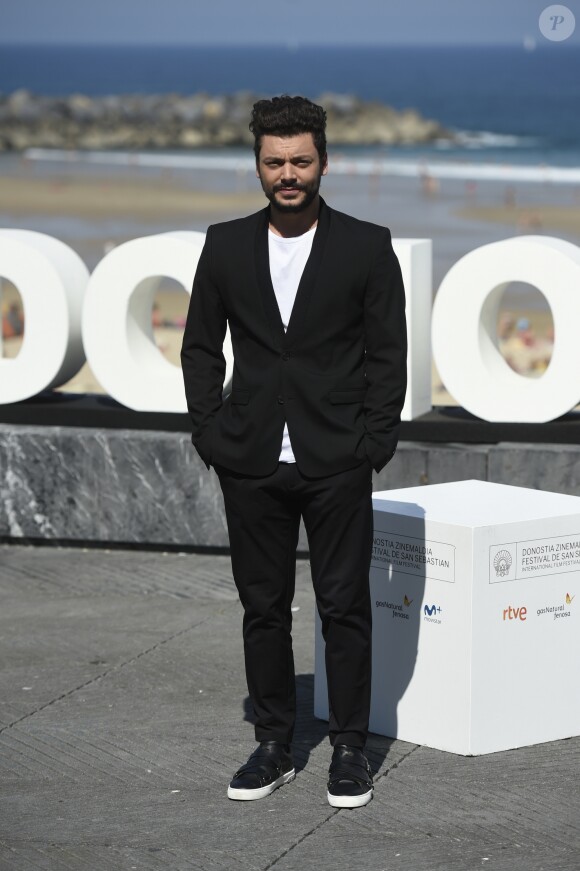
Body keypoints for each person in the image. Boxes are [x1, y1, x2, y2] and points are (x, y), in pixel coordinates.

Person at [181, 95, 407, 808]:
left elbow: (387, 354)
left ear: (324, 163)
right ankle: (274, 742)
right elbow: (198, 348)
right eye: (275, 162)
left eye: (301, 161)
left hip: (336, 455)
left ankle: (349, 747)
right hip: (250, 457)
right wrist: (211, 433)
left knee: (344, 605)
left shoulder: (367, 246)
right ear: (257, 163)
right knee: (263, 607)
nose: (288, 174)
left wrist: (373, 443)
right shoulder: (223, 244)